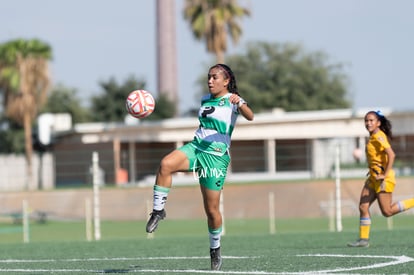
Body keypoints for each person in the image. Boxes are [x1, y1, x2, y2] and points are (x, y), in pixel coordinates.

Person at [145, 64, 254, 270]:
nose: (210, 81)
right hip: (196, 147)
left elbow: (250, 116)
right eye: (208, 77)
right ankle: (158, 211)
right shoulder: (205, 99)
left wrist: (240, 102)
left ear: (226, 81)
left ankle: (215, 250)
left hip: (215, 157)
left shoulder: (232, 100)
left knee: (211, 210)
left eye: (215, 77)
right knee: (166, 164)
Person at [348, 110, 414, 247]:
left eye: (371, 120)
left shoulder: (379, 136)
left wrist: (384, 174)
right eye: (366, 120)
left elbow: (392, 154)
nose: (368, 123)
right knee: (363, 206)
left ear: (378, 123)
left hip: (383, 179)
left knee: (387, 212)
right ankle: (363, 240)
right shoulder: (372, 137)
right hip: (373, 178)